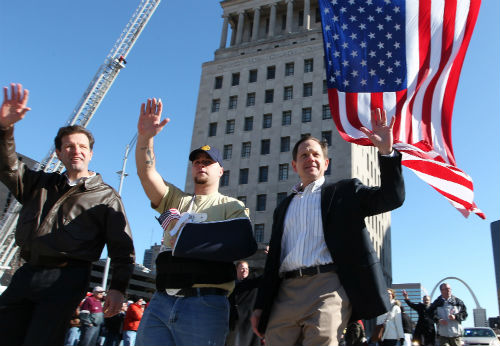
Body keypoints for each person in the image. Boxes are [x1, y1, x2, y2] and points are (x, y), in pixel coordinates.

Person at [251, 108, 405, 346]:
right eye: (303, 155)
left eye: (315, 155)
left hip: (328, 287)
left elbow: (391, 198)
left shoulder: (345, 192)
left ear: (325, 163)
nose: (309, 158)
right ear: (294, 165)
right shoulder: (282, 208)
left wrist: (386, 152)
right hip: (286, 292)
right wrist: (261, 306)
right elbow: (273, 262)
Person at [0, 83, 135, 346]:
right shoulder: (37, 183)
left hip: (65, 278)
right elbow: (7, 166)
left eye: (82, 146)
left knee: (41, 340)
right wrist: (5, 128)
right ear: (59, 153)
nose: (76, 150)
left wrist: (118, 287)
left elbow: (122, 247)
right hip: (26, 271)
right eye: (69, 146)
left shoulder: (105, 196)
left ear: (91, 153)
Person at [134, 98, 252, 346]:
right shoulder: (175, 199)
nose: (201, 165)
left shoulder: (232, 207)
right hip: (161, 302)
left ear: (221, 170)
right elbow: (147, 173)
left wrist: (186, 239)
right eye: (197, 161)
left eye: (208, 162)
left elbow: (238, 243)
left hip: (205, 303)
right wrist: (145, 138)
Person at [227, 261, 262, 346]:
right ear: (236, 270)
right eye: (242, 268)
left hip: (248, 323)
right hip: (233, 322)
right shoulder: (229, 284)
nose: (245, 270)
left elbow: (266, 277)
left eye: (247, 268)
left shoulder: (252, 281)